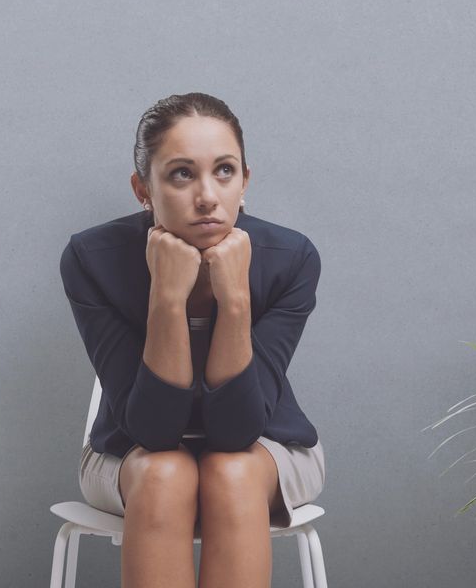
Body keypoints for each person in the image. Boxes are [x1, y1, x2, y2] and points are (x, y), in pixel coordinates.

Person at [59, 92, 325, 588]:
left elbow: (237, 431)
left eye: (224, 171)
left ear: (245, 181)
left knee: (232, 473)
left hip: (268, 445)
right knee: (166, 474)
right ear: (144, 189)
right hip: (126, 450)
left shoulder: (291, 258)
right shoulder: (91, 259)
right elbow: (153, 431)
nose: (208, 195)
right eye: (182, 173)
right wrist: (166, 297)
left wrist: (236, 300)